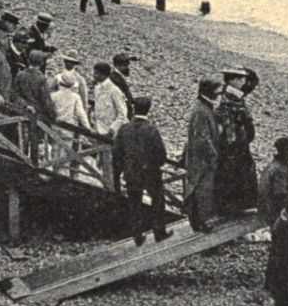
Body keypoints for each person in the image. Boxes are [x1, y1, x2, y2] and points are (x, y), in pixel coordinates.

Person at [113, 96, 171, 244]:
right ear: (148, 110)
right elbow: (161, 155)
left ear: (133, 109)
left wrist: (118, 173)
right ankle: (159, 232)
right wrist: (155, 165)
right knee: (157, 200)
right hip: (150, 172)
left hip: (131, 172)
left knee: (134, 203)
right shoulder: (151, 130)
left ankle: (138, 236)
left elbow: (117, 153)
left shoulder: (124, 129)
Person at [214, 67, 259, 214]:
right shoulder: (229, 97)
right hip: (233, 143)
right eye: (240, 79)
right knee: (234, 173)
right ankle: (235, 206)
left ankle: (233, 206)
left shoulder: (227, 94)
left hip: (236, 141)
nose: (243, 82)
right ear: (233, 80)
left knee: (232, 174)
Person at [183, 76, 221, 231]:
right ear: (208, 92)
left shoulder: (203, 107)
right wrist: (214, 156)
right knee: (201, 191)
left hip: (200, 159)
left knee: (199, 190)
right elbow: (203, 138)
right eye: (217, 92)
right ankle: (200, 224)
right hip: (202, 160)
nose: (219, 95)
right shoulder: (201, 110)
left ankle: (199, 222)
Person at [258, 136, 288, 227]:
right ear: (284, 151)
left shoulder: (274, 165)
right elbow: (280, 195)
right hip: (277, 214)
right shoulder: (280, 169)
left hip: (271, 212)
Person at [90, 61, 129, 138]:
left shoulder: (114, 90)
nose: (94, 76)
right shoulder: (97, 88)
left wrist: (113, 128)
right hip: (99, 129)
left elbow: (123, 112)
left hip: (112, 132)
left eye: (97, 73)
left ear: (104, 75)